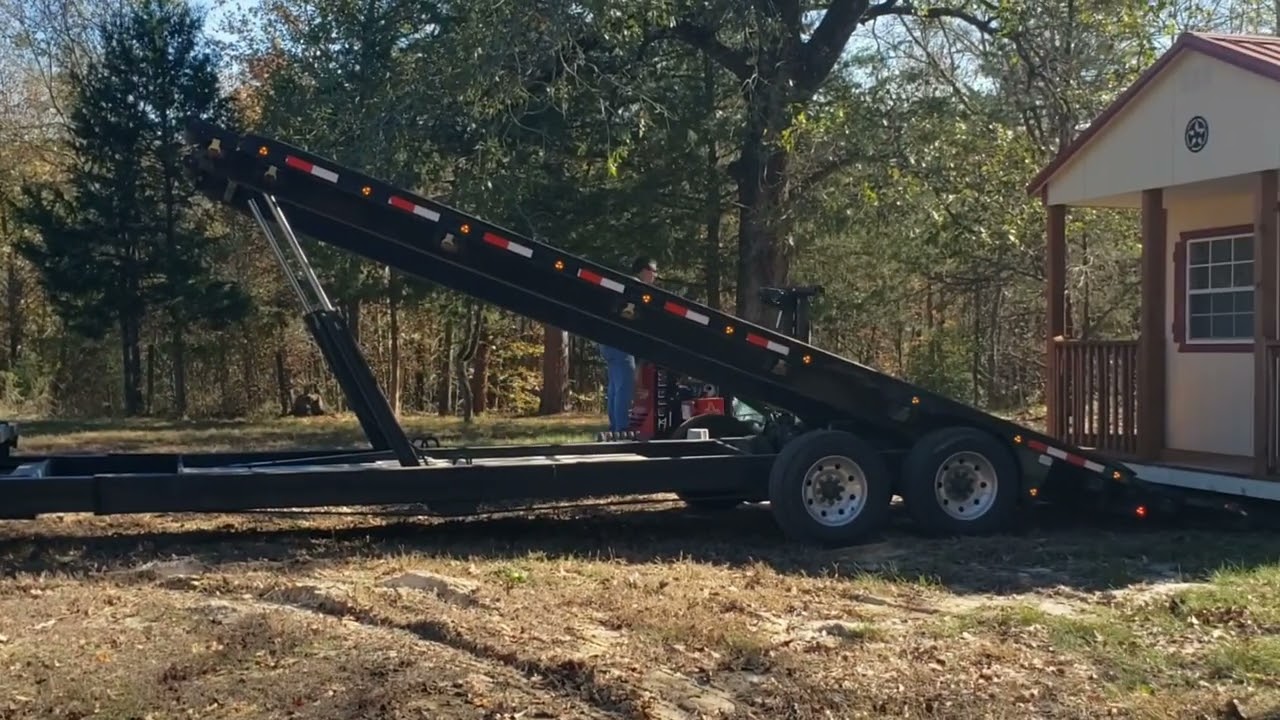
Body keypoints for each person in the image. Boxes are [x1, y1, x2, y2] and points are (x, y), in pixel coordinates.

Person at [600, 257, 658, 434]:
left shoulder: (626, 287)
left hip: (608, 342)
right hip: (620, 343)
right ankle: (622, 429)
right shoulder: (635, 289)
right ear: (644, 270)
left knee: (615, 387)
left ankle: (614, 427)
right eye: (654, 271)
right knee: (624, 387)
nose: (655, 276)